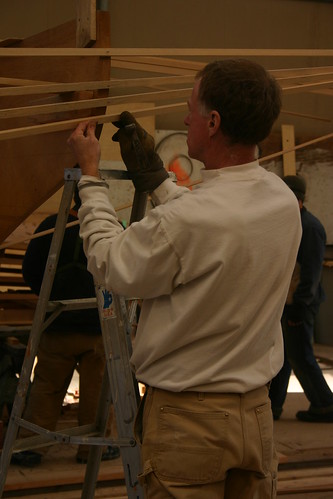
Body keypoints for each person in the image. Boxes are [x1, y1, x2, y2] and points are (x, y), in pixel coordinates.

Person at [68, 59, 302, 498]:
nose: (184, 117)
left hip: (190, 426)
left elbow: (110, 262)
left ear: (213, 123)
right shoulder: (281, 200)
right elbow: (208, 222)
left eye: (190, 108)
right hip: (256, 414)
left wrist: (91, 179)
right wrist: (158, 179)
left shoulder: (189, 220)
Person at [11, 187, 120, 467]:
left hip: (56, 322)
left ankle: (32, 447)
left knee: (46, 386)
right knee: (97, 391)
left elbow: (29, 271)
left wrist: (50, 296)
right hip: (97, 327)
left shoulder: (52, 225)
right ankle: (93, 450)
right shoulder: (111, 228)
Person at [269, 175, 333, 422]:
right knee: (284, 356)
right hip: (289, 302)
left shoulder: (310, 227)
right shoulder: (291, 223)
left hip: (300, 303)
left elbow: (312, 273)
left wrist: (300, 306)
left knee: (300, 355)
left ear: (297, 200)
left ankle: (325, 404)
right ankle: (274, 405)